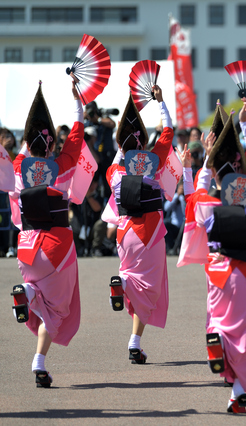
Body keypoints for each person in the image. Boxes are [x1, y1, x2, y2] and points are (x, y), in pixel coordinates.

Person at [178, 99, 246, 413]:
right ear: (238, 163)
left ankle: (215, 337)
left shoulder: (203, 198)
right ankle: (237, 394)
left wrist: (198, 164)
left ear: (214, 168)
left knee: (218, 319)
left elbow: (193, 192)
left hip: (216, 267)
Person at [9, 76, 85, 388]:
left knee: (41, 296)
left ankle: (26, 293)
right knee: (58, 309)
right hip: (57, 247)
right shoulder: (64, 165)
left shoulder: (17, 167)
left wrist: (30, 138)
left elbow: (22, 157)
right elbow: (77, 139)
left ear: (26, 141)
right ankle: (39, 361)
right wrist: (78, 105)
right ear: (52, 143)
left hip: (26, 247)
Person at [106, 85, 174, 364]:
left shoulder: (114, 172)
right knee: (151, 289)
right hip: (150, 232)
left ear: (121, 143)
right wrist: (161, 102)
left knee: (135, 280)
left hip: (124, 232)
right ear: (144, 142)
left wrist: (123, 147)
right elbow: (168, 131)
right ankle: (134, 340)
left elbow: (116, 159)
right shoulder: (155, 162)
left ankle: (135, 343)